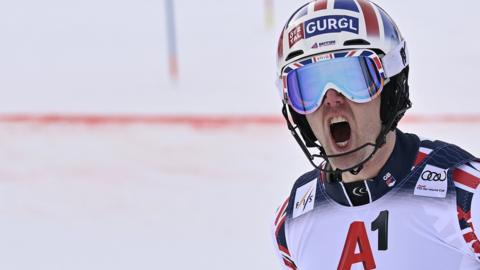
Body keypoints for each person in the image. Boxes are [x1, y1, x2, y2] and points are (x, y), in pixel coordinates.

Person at [271, 0, 480, 269]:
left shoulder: (465, 193)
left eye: (352, 79)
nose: (332, 100)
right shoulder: (290, 223)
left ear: (391, 88)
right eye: (308, 88)